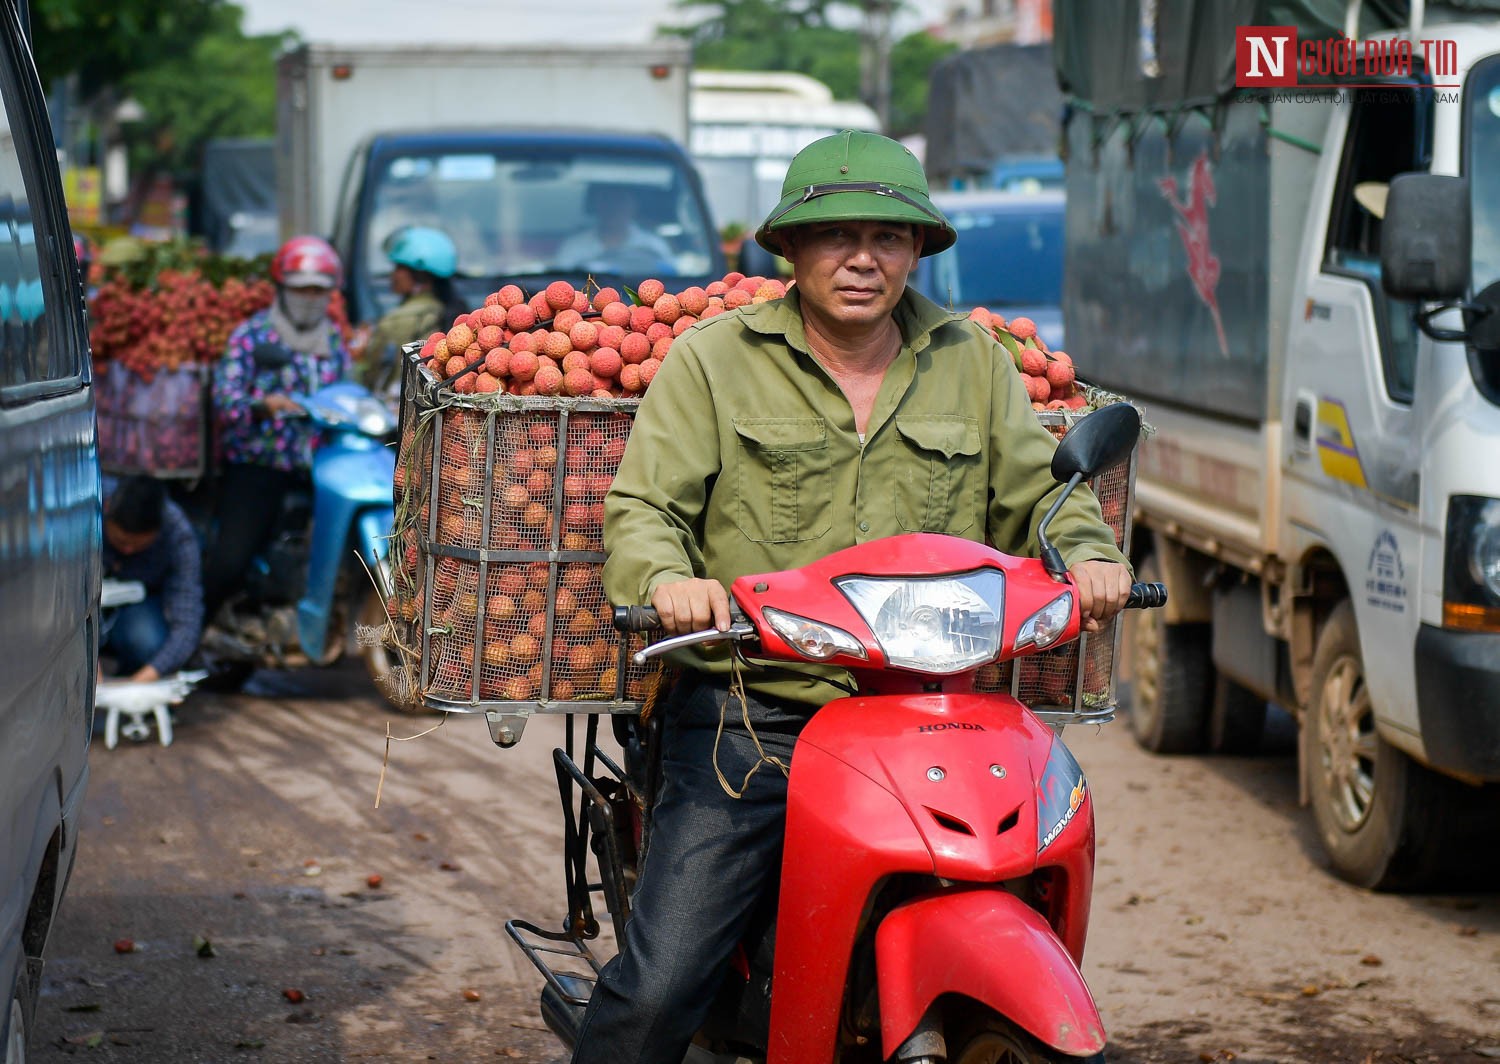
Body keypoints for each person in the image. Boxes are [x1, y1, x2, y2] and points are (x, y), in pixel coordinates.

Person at [584, 130, 1134, 1063]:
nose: (863, 259)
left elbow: (1044, 496)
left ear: (918, 250)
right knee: (659, 987)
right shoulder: (716, 361)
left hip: (936, 714)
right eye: (836, 236)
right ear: (792, 250)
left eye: (888, 236)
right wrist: (670, 582)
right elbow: (644, 507)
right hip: (758, 716)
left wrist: (1088, 556)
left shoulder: (973, 362)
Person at [205, 235, 352, 618]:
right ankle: (197, 634)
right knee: (229, 560)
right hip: (259, 465)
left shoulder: (333, 341)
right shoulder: (251, 336)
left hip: (318, 469)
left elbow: (345, 392)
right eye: (300, 289)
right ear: (282, 289)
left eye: (318, 291)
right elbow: (225, 400)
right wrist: (261, 407)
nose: (308, 298)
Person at [101, 474, 205, 683]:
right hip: (77, 610)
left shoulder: (178, 535)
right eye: (121, 542)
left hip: (136, 610)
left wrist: (138, 684)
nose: (128, 550)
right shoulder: (82, 503)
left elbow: (187, 624)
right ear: (106, 509)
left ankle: (129, 671)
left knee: (148, 640)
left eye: (137, 545)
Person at [359, 225, 464, 397]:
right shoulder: (457, 313)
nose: (393, 275)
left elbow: (371, 375)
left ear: (420, 275)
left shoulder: (395, 321)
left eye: (399, 268)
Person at [556, 183, 675, 274]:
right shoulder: (574, 247)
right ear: (595, 205)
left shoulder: (654, 246)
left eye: (620, 200)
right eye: (607, 200)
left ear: (634, 205)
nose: (613, 207)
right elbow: (560, 285)